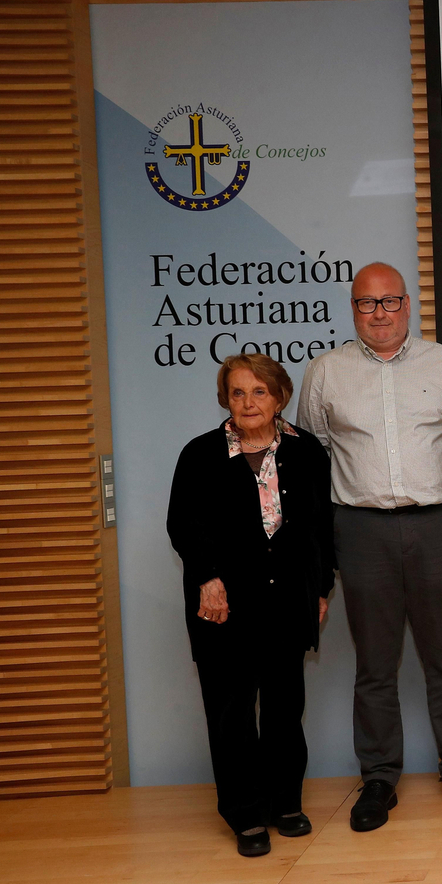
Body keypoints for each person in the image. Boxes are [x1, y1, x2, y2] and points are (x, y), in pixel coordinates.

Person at [297, 261, 442, 831]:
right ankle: (378, 777)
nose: (379, 313)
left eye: (389, 302)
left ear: (408, 305)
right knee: (375, 665)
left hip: (437, 527)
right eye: (366, 303)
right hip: (361, 532)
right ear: (353, 309)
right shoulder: (326, 373)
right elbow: (315, 456)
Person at [167, 354, 334, 857]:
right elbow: (183, 525)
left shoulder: (308, 453)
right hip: (224, 605)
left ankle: (285, 803)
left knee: (285, 708)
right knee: (232, 712)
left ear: (279, 396)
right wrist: (208, 579)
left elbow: (321, 529)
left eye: (259, 391)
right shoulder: (200, 454)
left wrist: (321, 588)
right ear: (226, 399)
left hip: (287, 600)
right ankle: (245, 814)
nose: (248, 402)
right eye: (238, 393)